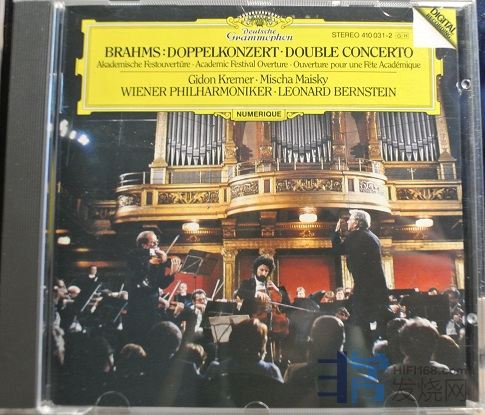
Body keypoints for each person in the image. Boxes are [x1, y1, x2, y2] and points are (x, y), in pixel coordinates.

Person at [332, 210, 389, 341]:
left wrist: (336, 232)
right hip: (375, 287)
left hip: (366, 289)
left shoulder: (357, 235)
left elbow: (338, 249)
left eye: (351, 219)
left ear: (357, 223)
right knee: (372, 324)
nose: (348, 222)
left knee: (361, 325)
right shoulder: (372, 236)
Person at [124, 230, 181, 344]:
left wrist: (171, 274)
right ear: (143, 245)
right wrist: (156, 254)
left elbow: (161, 284)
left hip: (152, 305)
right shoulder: (134, 256)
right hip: (138, 305)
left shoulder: (158, 261)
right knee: (138, 337)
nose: (156, 245)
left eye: (157, 242)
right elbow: (137, 264)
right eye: (153, 242)